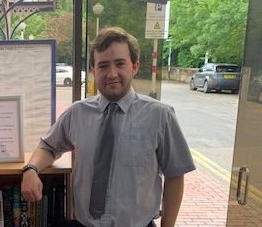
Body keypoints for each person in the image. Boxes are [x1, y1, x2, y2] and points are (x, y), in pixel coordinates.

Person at [21, 27, 195, 227]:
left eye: (120, 64)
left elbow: (175, 175)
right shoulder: (77, 113)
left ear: (135, 66)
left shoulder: (160, 116)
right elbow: (49, 147)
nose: (112, 73)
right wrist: (31, 169)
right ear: (94, 71)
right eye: (103, 66)